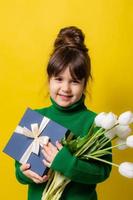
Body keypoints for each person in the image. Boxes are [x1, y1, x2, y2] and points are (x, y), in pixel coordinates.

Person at [15, 26, 112, 200]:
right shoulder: (35, 119)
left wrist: (66, 162)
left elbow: (102, 172)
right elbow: (19, 168)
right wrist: (24, 174)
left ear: (84, 84)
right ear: (49, 79)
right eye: (59, 79)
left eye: (74, 81)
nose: (65, 88)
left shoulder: (96, 122)